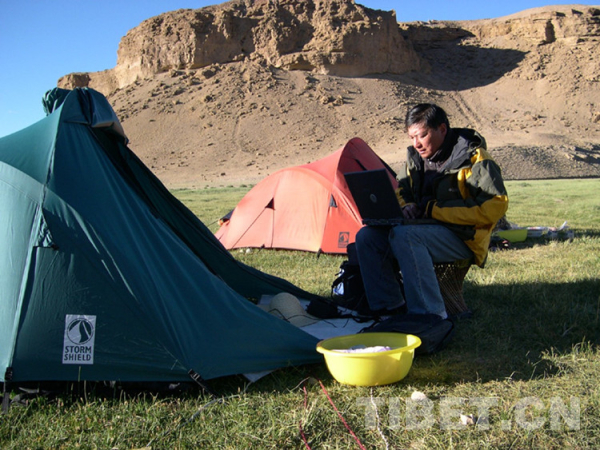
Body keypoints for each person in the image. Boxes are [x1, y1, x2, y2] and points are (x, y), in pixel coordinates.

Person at [355, 103, 508, 319]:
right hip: (424, 229)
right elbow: (402, 189)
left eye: (422, 135)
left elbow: (495, 206)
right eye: (412, 138)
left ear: (442, 129)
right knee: (367, 236)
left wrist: (435, 211)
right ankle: (388, 309)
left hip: (464, 237)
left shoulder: (474, 158)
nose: (416, 144)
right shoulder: (415, 159)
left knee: (406, 236)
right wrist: (407, 206)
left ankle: (430, 316)